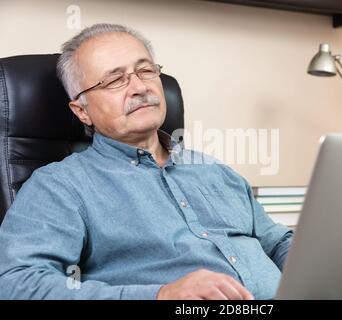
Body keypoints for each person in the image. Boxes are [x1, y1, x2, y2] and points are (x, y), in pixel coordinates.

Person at [0, 24, 292, 300]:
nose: (140, 87)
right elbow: (18, 283)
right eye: (114, 80)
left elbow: (278, 243)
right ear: (81, 111)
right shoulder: (59, 186)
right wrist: (161, 295)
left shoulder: (215, 171)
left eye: (146, 70)